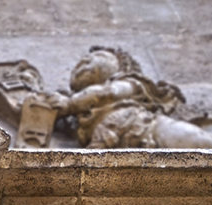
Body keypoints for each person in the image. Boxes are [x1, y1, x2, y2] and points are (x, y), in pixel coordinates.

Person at [46, 46, 212, 149]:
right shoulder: (79, 116)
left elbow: (106, 93)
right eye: (78, 65)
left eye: (94, 59)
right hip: (111, 141)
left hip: (149, 129)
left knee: (196, 143)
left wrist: (69, 104)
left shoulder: (128, 83)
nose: (83, 64)